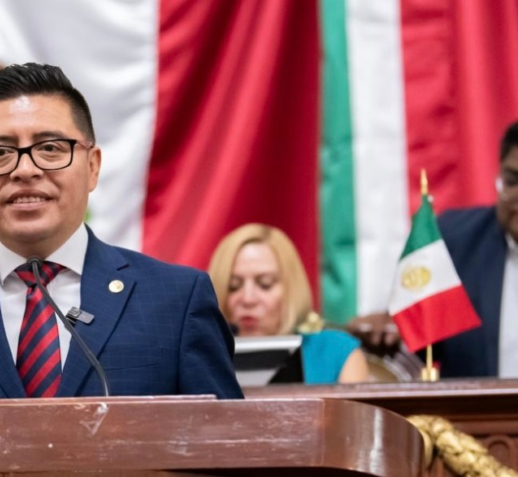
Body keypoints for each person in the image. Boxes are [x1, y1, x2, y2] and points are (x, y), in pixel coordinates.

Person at [0, 63, 243, 401]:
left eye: (50, 148)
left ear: (93, 166)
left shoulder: (177, 302)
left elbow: (225, 445)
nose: (24, 170)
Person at [353, 121, 518, 377]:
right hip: (477, 404)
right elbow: (416, 349)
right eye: (512, 180)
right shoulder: (457, 241)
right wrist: (384, 336)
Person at [208, 224, 369, 384]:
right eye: (233, 286)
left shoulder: (335, 351)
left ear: (292, 290)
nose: (248, 299)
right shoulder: (203, 356)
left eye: (265, 284)